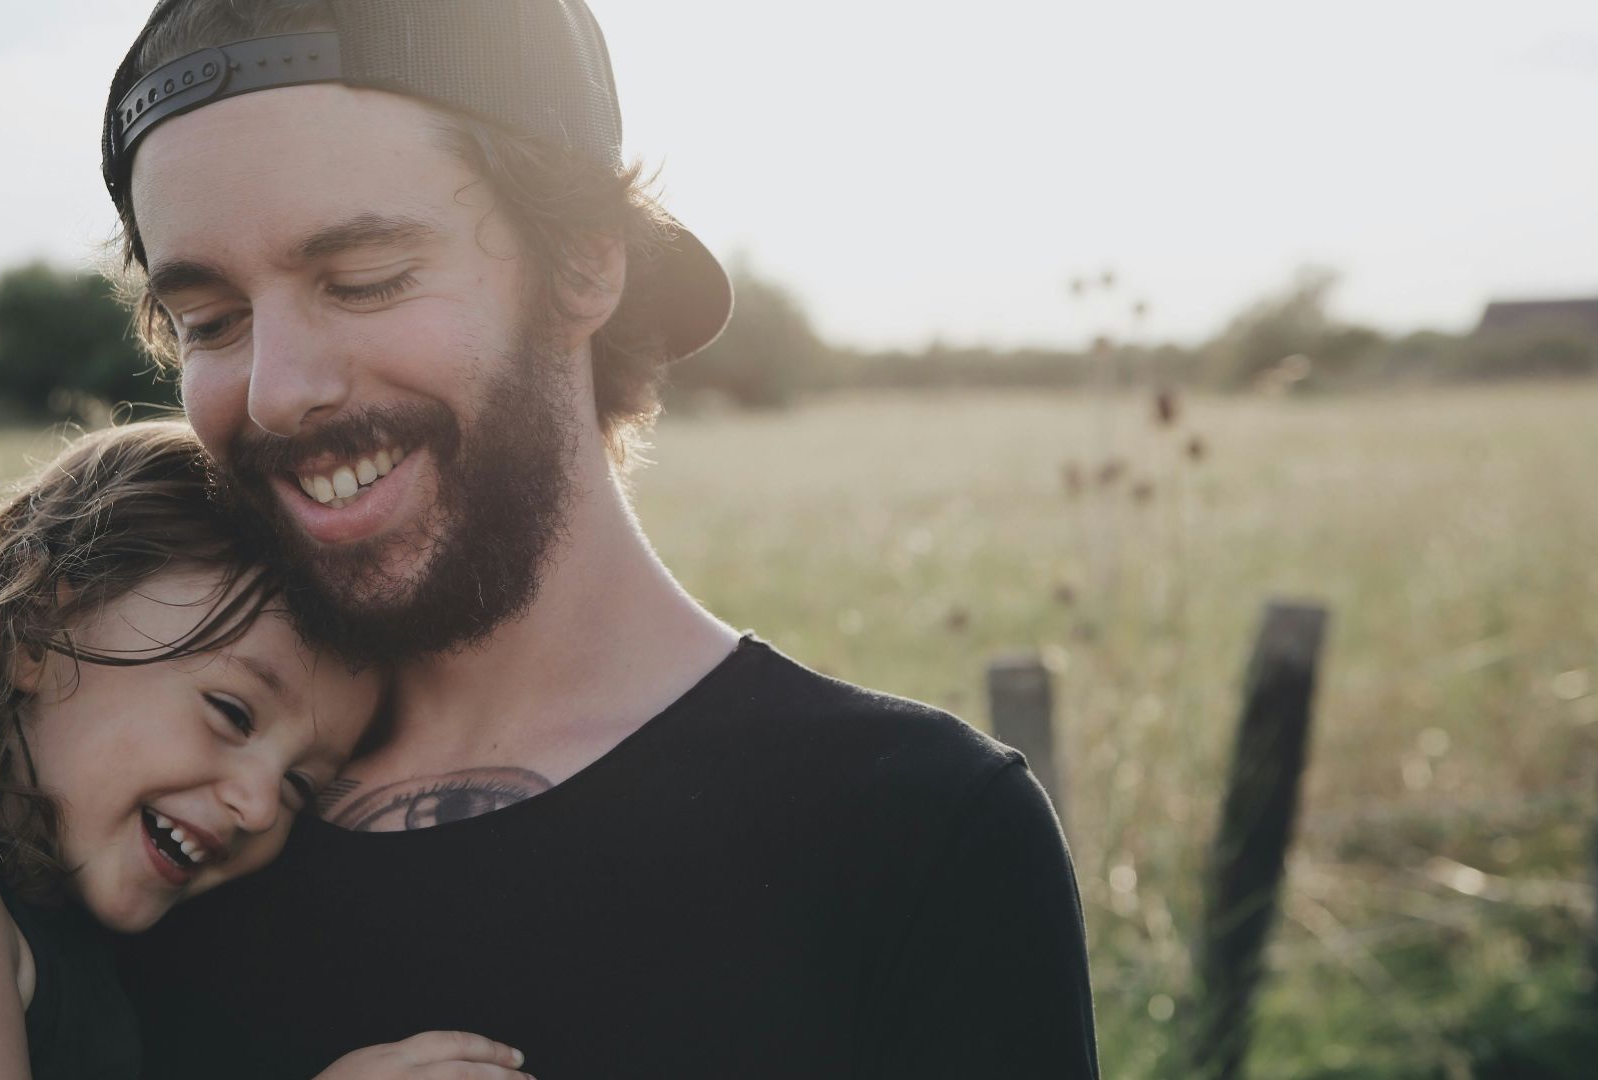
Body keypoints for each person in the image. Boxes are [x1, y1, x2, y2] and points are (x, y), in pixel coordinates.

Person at [104, 1, 1101, 1076]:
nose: (279, 390)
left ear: (584, 267)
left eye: (365, 280)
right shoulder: (145, 817)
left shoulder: (913, 833)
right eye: (210, 322)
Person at [0, 421, 532, 1080]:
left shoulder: (53, 926)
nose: (259, 802)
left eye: (301, 786)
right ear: (40, 628)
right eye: (232, 713)